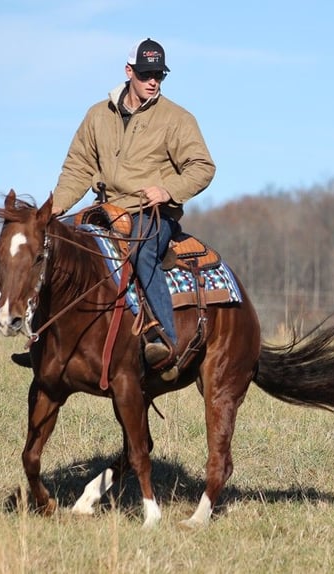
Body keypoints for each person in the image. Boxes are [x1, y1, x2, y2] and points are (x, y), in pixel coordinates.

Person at [51, 38, 216, 380]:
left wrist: (168, 190)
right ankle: (45, 345)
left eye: (159, 74)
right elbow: (78, 167)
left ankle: (163, 340)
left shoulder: (177, 119)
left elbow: (202, 166)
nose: (153, 81)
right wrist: (55, 208)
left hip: (152, 214)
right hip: (105, 211)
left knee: (142, 253)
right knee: (57, 246)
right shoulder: (97, 115)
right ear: (129, 72)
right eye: (146, 74)